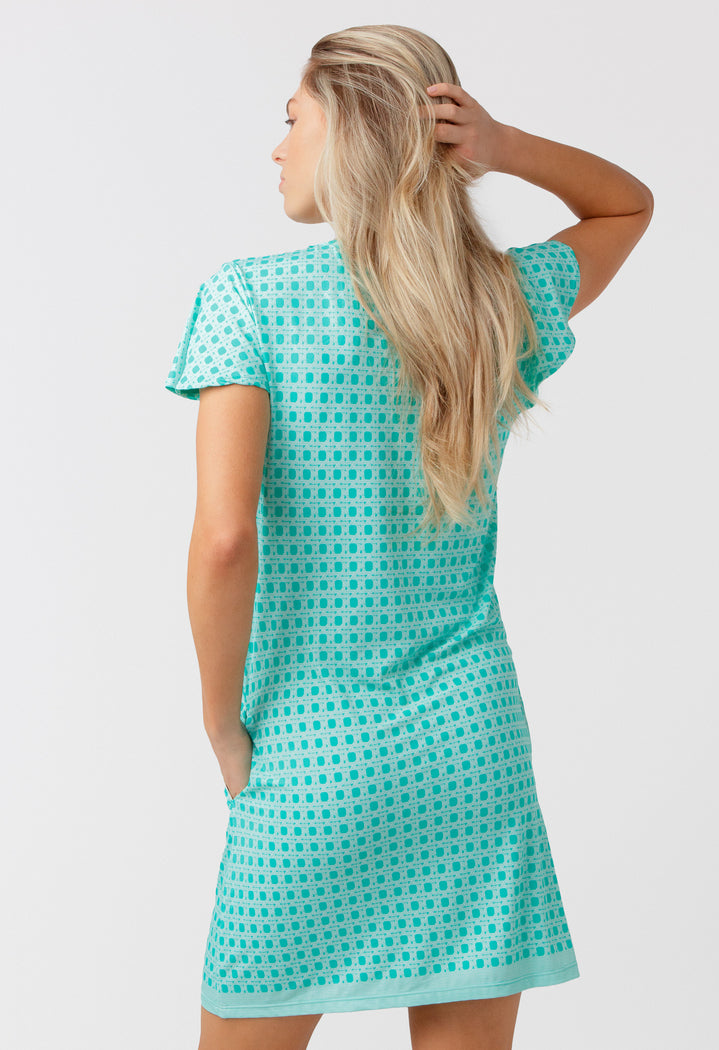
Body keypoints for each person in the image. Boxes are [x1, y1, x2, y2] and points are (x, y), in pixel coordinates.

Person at [164, 23, 653, 1050]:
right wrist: (503, 145)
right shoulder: (495, 303)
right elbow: (627, 204)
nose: (277, 146)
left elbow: (222, 540)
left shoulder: (251, 299)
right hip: (468, 744)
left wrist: (221, 728)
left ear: (348, 130)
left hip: (307, 754)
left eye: (291, 119)